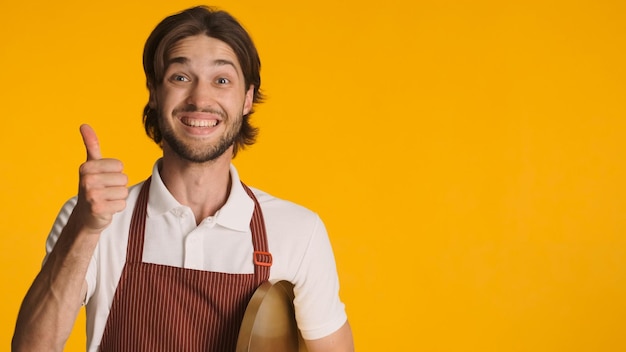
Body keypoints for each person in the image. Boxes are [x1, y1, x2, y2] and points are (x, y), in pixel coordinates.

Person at [12, 5, 354, 352]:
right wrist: (85, 229)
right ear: (155, 92)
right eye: (180, 77)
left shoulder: (297, 231)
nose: (200, 99)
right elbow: (30, 348)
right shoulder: (91, 218)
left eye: (222, 80)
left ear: (247, 98)